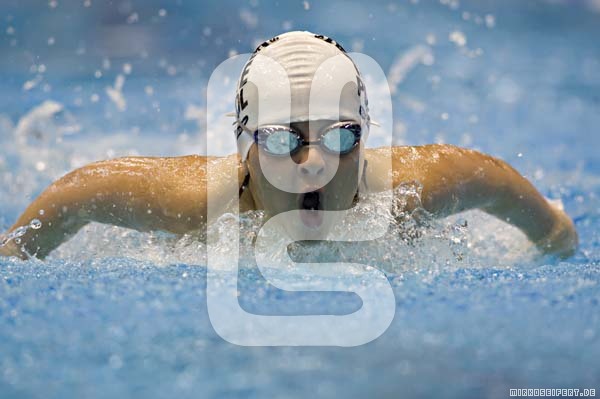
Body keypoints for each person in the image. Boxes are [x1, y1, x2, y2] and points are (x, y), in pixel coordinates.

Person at [0, 31, 578, 260]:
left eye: (340, 137)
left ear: (366, 137)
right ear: (247, 150)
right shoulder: (200, 204)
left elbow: (552, 231)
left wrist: (556, 240)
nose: (313, 165)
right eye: (281, 141)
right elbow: (78, 194)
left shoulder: (413, 191)